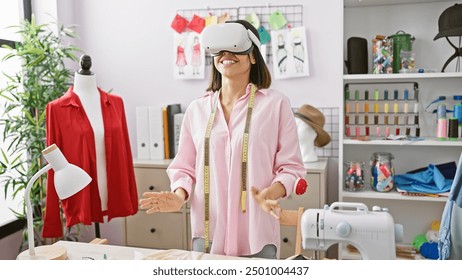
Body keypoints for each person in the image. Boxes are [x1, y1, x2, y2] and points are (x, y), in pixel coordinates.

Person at [140, 20, 305, 259]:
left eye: (235, 47)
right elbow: (184, 167)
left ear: (253, 56)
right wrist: (178, 196)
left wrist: (270, 193)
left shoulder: (276, 105)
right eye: (219, 49)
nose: (226, 54)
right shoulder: (197, 110)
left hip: (256, 236)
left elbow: (291, 167)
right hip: (207, 235)